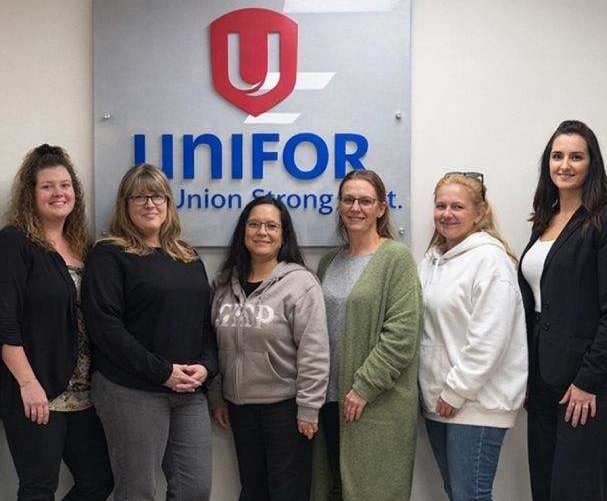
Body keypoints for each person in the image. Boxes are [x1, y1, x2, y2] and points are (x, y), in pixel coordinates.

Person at [0, 144, 112, 501]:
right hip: (36, 390)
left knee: (99, 481)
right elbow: (0, 322)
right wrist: (28, 383)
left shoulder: (82, 246)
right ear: (30, 194)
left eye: (66, 185)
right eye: (48, 186)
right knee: (39, 488)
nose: (59, 193)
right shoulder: (12, 244)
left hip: (82, 393)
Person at [82, 163, 218, 501]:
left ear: (169, 203)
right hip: (130, 389)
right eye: (138, 197)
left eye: (157, 196)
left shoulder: (188, 257)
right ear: (124, 205)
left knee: (195, 490)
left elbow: (205, 323)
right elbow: (106, 328)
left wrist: (206, 366)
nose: (149, 204)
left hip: (188, 391)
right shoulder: (109, 254)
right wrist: (162, 372)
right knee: (137, 491)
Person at [518, 120, 607, 501]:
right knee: (546, 490)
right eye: (557, 156)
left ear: (591, 164)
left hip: (586, 386)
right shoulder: (543, 222)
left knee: (579, 492)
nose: (564, 164)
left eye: (575, 156)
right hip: (542, 381)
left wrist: (588, 381)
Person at [209, 196, 330, 500]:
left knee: (287, 493)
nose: (262, 231)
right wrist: (217, 396)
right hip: (239, 408)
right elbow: (211, 342)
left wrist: (309, 408)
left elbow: (314, 350)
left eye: (271, 226)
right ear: (244, 231)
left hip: (286, 410)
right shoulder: (224, 283)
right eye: (254, 224)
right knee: (252, 492)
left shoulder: (300, 284)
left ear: (283, 235)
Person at [417, 172, 528, 500]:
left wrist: (456, 392)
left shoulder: (491, 261)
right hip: (439, 400)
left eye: (457, 206)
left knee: (470, 495)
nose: (446, 213)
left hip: (476, 402)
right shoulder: (432, 260)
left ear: (479, 213)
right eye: (440, 205)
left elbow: (490, 338)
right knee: (458, 494)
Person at [313, 169, 422, 501]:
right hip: (330, 399)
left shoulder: (396, 259)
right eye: (348, 200)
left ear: (381, 207)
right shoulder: (328, 262)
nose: (355, 208)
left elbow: (402, 334)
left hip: (376, 403)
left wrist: (363, 388)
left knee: (373, 491)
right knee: (333, 488)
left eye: (365, 200)